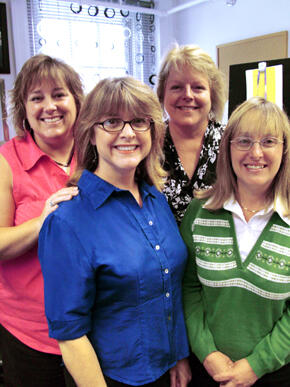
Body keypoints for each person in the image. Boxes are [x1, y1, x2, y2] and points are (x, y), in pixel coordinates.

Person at [38, 77, 192, 387]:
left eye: (138, 121)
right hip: (111, 378)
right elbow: (69, 333)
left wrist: (178, 354)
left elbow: (169, 287)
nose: (127, 133)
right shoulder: (68, 221)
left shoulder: (155, 198)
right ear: (91, 135)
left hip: (167, 370)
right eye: (111, 122)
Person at [180, 97, 290, 387]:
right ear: (227, 148)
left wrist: (257, 365)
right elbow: (188, 288)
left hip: (275, 374)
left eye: (268, 141)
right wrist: (207, 353)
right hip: (207, 371)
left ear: (284, 149)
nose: (255, 153)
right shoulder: (199, 211)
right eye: (243, 141)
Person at [0, 54, 84, 386]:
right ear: (24, 108)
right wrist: (43, 221)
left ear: (77, 100)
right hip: (29, 331)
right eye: (37, 98)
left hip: (93, 324)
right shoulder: (8, 160)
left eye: (59, 94)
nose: (50, 106)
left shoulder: (96, 150)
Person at [156, 44, 227, 225]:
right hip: (160, 252)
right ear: (163, 93)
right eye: (177, 87)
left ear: (212, 94)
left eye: (198, 88)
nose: (187, 95)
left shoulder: (232, 142)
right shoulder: (147, 143)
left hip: (218, 250)